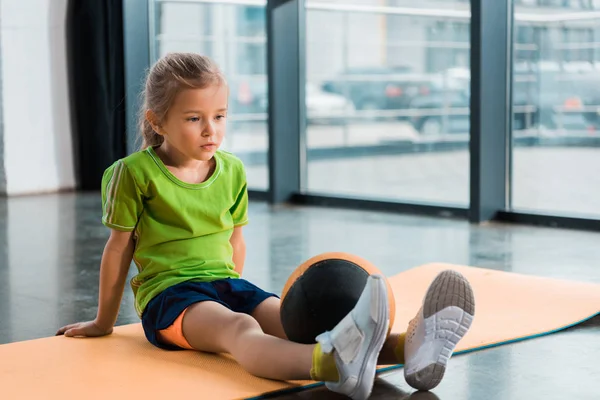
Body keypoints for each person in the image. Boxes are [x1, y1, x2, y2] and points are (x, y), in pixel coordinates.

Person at [56, 53, 475, 400]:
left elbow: (235, 239)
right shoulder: (132, 174)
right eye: (193, 119)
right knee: (239, 329)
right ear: (158, 121)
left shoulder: (232, 170)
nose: (211, 130)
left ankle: (408, 347)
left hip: (226, 284)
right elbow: (118, 249)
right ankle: (329, 364)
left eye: (219, 115)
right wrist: (103, 322)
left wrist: (236, 291)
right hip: (169, 299)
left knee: (293, 323)